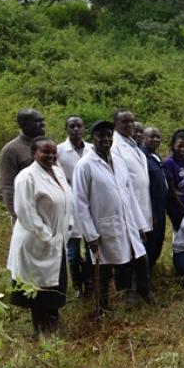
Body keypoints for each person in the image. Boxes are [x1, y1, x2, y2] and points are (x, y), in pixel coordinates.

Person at [72, 121, 151, 311]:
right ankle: (102, 309)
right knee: (103, 271)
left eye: (109, 135)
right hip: (103, 227)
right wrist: (90, 235)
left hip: (127, 223)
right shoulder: (85, 165)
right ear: (93, 139)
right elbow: (80, 204)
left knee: (136, 260)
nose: (106, 139)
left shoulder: (118, 160)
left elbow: (129, 194)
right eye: (101, 136)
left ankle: (136, 298)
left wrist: (140, 224)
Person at [7, 136, 72, 338]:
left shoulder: (58, 173)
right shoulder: (26, 177)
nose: (50, 156)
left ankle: (52, 325)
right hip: (36, 240)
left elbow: (66, 201)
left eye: (53, 152)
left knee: (54, 285)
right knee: (38, 289)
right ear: (34, 153)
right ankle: (41, 331)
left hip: (57, 238)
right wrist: (46, 234)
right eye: (45, 152)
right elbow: (25, 211)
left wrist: (67, 226)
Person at [57, 116, 93, 297]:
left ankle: (89, 281)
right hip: (69, 207)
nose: (76, 129)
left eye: (79, 126)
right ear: (66, 129)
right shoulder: (59, 151)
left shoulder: (91, 149)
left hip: (89, 205)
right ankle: (77, 285)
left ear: (84, 128)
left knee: (90, 247)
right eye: (72, 126)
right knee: (71, 251)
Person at [111, 109, 152, 234]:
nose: (129, 125)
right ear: (115, 124)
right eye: (124, 121)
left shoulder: (134, 145)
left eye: (132, 121)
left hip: (142, 206)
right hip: (128, 211)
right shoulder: (114, 146)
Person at [0, 108, 46, 217]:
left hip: (49, 210)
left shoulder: (47, 145)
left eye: (42, 120)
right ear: (23, 124)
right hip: (26, 211)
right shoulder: (11, 150)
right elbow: (8, 186)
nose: (42, 124)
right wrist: (17, 215)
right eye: (37, 121)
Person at [141, 127, 168, 266]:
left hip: (161, 206)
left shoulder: (155, 156)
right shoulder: (142, 157)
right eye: (152, 137)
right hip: (151, 208)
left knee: (159, 240)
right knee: (150, 243)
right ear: (144, 138)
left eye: (158, 137)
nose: (156, 140)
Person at [164, 130, 184, 231]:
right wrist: (182, 207)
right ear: (173, 145)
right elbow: (171, 189)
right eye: (179, 146)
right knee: (181, 233)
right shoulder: (169, 162)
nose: (182, 149)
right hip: (177, 205)